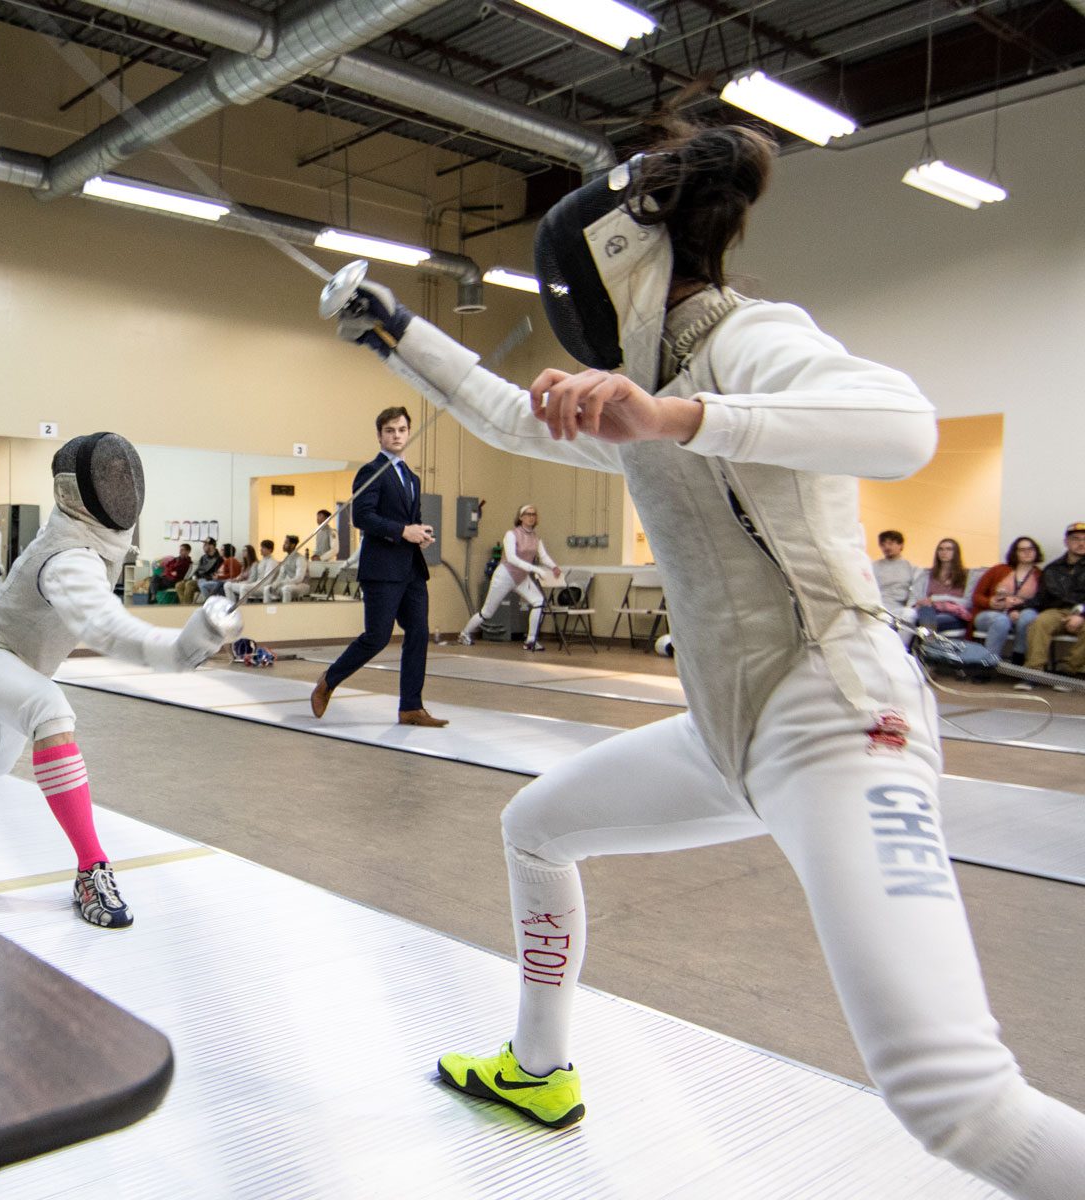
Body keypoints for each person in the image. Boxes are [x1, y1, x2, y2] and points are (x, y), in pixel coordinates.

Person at [325, 124, 1085, 1197]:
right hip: (729, 734)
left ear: (628, 256)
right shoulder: (637, 385)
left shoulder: (753, 340)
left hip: (840, 720)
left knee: (954, 1098)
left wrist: (677, 417)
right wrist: (395, 330)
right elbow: (501, 411)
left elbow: (903, 426)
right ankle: (538, 1072)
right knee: (536, 828)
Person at [0, 434, 241, 929]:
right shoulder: (69, 556)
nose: (123, 486)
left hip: (14, 665)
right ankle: (92, 869)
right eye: (111, 477)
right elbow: (104, 626)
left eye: (125, 475)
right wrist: (182, 648)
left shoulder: (93, 540)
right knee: (51, 710)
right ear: (83, 492)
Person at [310, 408, 447, 728]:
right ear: (380, 435)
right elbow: (362, 517)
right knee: (377, 637)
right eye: (389, 430)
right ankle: (329, 680)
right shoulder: (370, 471)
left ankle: (411, 707)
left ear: (408, 432)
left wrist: (419, 534)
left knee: (418, 633)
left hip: (411, 568)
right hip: (381, 569)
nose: (396, 435)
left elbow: (407, 520)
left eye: (401, 429)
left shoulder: (412, 478)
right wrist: (403, 531)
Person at [459, 504, 562, 649]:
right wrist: (535, 569)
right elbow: (512, 558)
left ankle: (531, 641)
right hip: (505, 575)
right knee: (487, 612)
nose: (531, 517)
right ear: (520, 518)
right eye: (527, 514)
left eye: (533, 514)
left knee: (538, 601)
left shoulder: (536, 538)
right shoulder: (511, 534)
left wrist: (554, 567)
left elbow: (543, 556)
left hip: (521, 577)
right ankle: (464, 633)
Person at [1023, 523, 1085, 676]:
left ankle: (1071, 673)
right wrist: (1016, 608)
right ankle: (1033, 672)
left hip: (1082, 612)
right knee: (1040, 622)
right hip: (1057, 611)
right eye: (1076, 539)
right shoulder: (1052, 568)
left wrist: (1080, 615)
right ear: (1066, 542)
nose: (1081, 543)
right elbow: (1041, 598)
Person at [971, 537, 1043, 663]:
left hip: (1020, 614)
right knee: (1001, 620)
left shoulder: (1040, 575)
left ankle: (1018, 659)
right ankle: (988, 663)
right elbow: (976, 596)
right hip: (991, 614)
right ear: (1015, 553)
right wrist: (990, 602)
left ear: (1036, 552)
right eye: (1022, 550)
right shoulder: (998, 570)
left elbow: (1042, 601)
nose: (1027, 552)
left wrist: (1019, 608)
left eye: (1031, 549)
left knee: (1028, 617)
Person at [912, 538, 971, 635]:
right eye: (941, 549)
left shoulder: (966, 575)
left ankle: (928, 644)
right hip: (930, 611)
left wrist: (937, 598)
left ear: (956, 552)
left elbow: (968, 603)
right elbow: (920, 597)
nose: (944, 552)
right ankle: (929, 644)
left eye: (948, 549)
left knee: (930, 622)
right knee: (923, 613)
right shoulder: (928, 574)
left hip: (954, 614)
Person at [873, 529, 918, 646]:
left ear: (900, 545)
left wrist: (909, 606)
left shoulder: (910, 567)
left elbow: (914, 593)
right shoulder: (874, 566)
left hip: (898, 609)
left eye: (891, 543)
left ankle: (902, 650)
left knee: (910, 614)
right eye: (883, 544)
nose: (887, 547)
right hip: (878, 608)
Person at [263, 534, 311, 602]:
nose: (283, 545)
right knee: (267, 588)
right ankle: (267, 611)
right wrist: (275, 584)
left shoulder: (300, 559)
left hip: (303, 585)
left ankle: (285, 611)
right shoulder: (286, 559)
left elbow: (299, 578)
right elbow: (281, 576)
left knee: (286, 589)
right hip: (290, 584)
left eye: (286, 543)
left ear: (293, 545)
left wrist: (283, 583)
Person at [226, 539, 275, 604]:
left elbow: (267, 580)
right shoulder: (262, 561)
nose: (261, 549)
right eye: (261, 547)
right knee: (227, 585)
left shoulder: (271, 562)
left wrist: (251, 584)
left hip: (263, 586)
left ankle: (241, 609)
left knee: (244, 588)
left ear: (270, 550)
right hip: (256, 584)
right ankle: (231, 605)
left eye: (263, 548)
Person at [175, 539, 222, 604]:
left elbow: (216, 574)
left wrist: (201, 578)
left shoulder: (219, 559)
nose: (203, 547)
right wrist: (193, 577)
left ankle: (186, 607)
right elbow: (197, 570)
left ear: (212, 546)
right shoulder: (203, 557)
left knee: (190, 584)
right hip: (198, 579)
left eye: (205, 545)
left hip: (207, 581)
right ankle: (184, 606)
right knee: (179, 585)